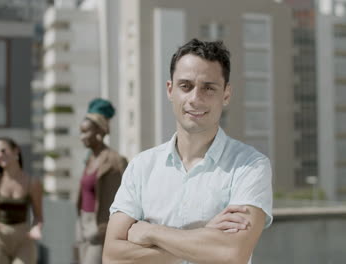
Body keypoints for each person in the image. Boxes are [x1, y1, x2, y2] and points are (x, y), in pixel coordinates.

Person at [103, 39, 273, 264]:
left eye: (208, 88)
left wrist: (151, 232)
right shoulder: (141, 167)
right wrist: (205, 237)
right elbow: (113, 257)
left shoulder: (251, 165)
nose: (195, 98)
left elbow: (232, 254)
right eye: (186, 86)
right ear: (170, 90)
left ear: (226, 94)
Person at [0, 137, 43, 264]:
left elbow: (38, 216)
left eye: (3, 151)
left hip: (23, 237)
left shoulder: (32, 182)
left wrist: (36, 228)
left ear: (16, 150)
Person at [76, 98, 128, 264]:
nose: (81, 137)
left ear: (99, 132)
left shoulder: (115, 161)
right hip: (83, 224)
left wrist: (106, 228)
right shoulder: (89, 158)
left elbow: (126, 197)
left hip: (102, 227)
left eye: (86, 132)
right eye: (81, 131)